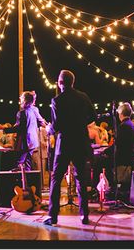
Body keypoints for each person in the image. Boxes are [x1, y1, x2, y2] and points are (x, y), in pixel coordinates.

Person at [44, 70, 96, 226]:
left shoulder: (57, 100)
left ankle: (53, 218)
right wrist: (80, 123)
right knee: (81, 178)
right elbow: (93, 116)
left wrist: (49, 129)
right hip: (80, 142)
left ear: (60, 83)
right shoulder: (84, 97)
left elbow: (57, 125)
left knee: (56, 179)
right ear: (72, 82)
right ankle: (84, 216)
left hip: (65, 143)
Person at [3, 91, 47, 171]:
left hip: (25, 143)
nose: (20, 101)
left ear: (25, 100)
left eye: (21, 99)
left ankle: (20, 182)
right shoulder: (33, 111)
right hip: (33, 142)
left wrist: (4, 130)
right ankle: (27, 182)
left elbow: (20, 128)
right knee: (27, 164)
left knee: (19, 163)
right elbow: (38, 123)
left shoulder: (21, 113)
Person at [114, 102, 134, 195]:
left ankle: (109, 188)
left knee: (100, 161)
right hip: (129, 154)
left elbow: (118, 144)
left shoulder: (124, 126)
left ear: (121, 114)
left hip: (124, 157)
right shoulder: (130, 124)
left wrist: (105, 151)